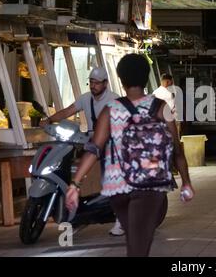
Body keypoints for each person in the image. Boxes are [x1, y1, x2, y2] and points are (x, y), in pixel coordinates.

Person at [65, 54, 194, 257]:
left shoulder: (110, 110)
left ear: (121, 79)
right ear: (145, 77)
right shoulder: (161, 107)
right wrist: (186, 182)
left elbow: (94, 148)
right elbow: (177, 148)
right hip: (151, 185)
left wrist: (75, 184)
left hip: (118, 187)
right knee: (138, 246)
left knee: (135, 241)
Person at [40, 67, 125, 237]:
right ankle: (77, 211)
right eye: (91, 82)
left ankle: (120, 220)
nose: (93, 86)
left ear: (105, 84)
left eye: (96, 83)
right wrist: (49, 120)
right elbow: (68, 111)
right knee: (73, 167)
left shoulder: (114, 99)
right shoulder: (86, 99)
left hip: (111, 142)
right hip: (91, 141)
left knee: (110, 177)